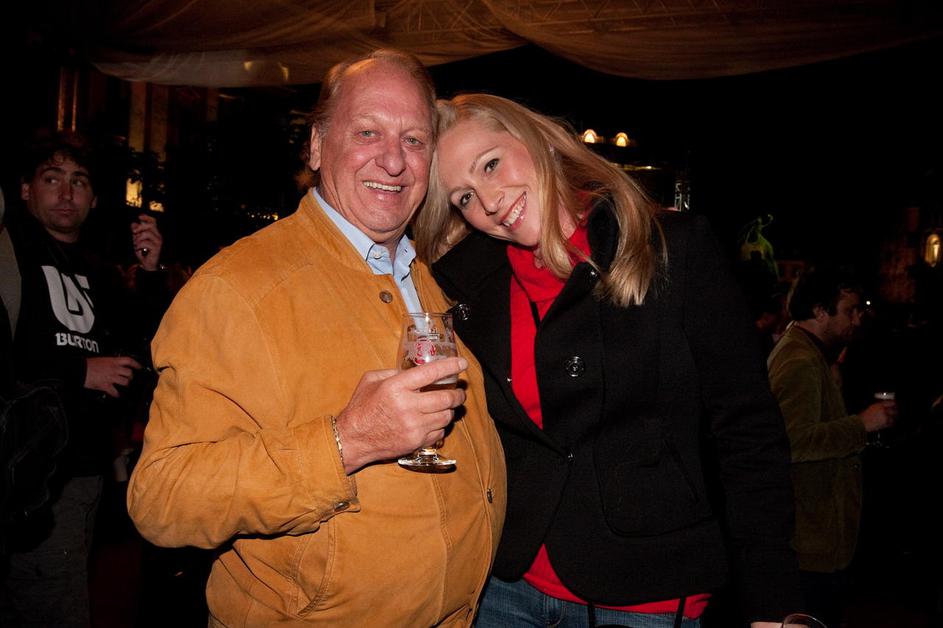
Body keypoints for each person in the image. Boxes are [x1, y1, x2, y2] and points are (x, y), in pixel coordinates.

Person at [126, 49, 505, 627]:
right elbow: (161, 498)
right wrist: (346, 441)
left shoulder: (422, 277)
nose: (393, 160)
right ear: (317, 146)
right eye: (367, 132)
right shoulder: (236, 288)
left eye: (414, 140)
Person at [416, 93, 800, 627]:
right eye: (464, 197)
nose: (490, 201)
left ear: (538, 141)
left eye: (491, 164)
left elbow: (748, 430)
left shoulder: (670, 249)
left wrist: (772, 597)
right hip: (507, 587)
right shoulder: (463, 286)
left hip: (644, 592)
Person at [1, 131, 167, 626]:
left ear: (93, 199)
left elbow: (143, 345)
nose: (67, 193)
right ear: (26, 189)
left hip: (86, 464)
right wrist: (79, 371)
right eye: (52, 179)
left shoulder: (96, 269)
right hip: (32, 470)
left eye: (79, 182)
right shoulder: (10, 254)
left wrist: (150, 271)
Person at [767, 267, 897, 627]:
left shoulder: (811, 353)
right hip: (809, 544)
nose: (858, 318)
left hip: (813, 540)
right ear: (820, 311)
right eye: (850, 310)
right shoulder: (800, 360)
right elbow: (792, 442)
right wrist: (862, 425)